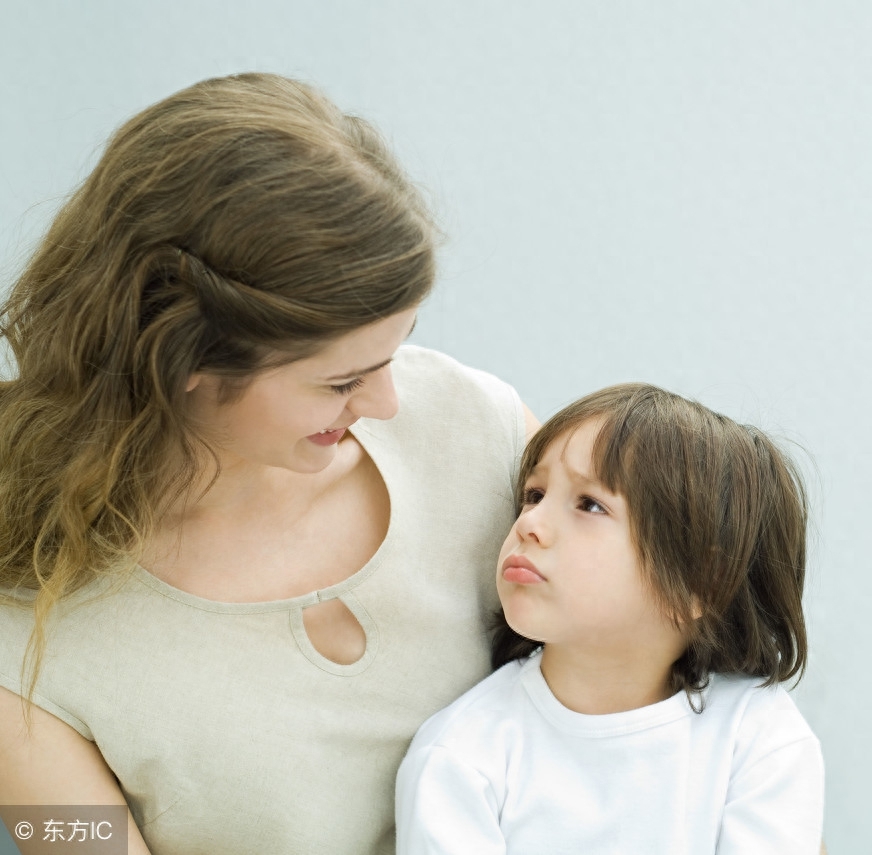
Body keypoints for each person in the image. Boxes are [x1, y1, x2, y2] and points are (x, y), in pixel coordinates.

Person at [0, 73, 537, 854]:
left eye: (394, 350)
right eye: (340, 381)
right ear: (183, 356)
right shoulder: (25, 634)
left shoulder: (476, 431)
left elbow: (688, 687)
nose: (388, 403)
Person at [395, 383, 825, 854]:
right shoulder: (460, 756)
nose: (529, 524)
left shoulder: (759, 738)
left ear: (699, 581)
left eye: (590, 504)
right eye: (534, 494)